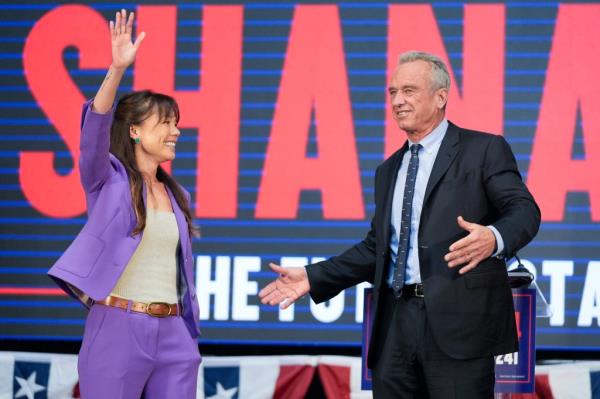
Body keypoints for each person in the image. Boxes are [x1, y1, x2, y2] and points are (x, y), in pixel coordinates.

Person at [259, 51, 541, 398]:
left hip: (460, 327)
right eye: (393, 92)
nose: (397, 101)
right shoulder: (388, 169)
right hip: (394, 326)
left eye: (409, 90)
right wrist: (313, 276)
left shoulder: (483, 149)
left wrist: (494, 237)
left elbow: (524, 211)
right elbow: (377, 249)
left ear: (441, 97)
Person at [48, 10, 200, 398]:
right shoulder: (107, 179)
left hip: (174, 333)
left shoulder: (177, 195)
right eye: (164, 123)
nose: (175, 131)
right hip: (117, 326)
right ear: (134, 130)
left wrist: (185, 330)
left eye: (176, 123)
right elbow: (93, 131)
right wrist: (117, 69)